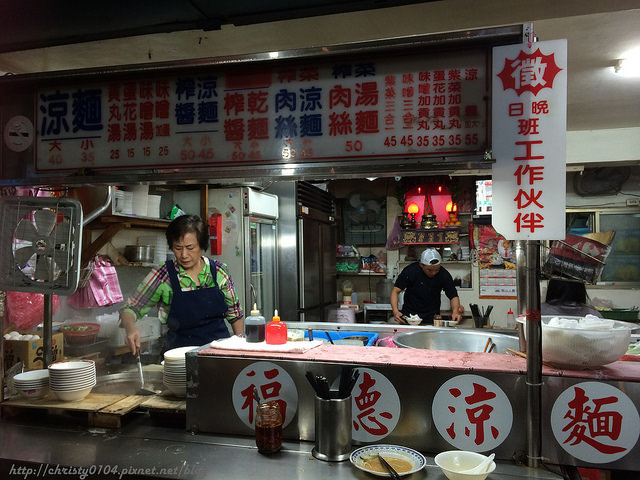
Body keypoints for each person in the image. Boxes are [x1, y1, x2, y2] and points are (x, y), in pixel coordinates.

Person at [120, 214, 244, 355]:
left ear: (202, 245)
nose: (184, 254)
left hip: (219, 355)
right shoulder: (163, 274)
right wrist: (131, 328)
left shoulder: (219, 271)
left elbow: (234, 314)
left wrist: (240, 350)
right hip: (178, 357)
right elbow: (130, 309)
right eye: (178, 248)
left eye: (190, 248)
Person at [390, 248, 462, 325]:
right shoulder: (410, 271)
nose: (434, 273)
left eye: (437, 269)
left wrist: (455, 312)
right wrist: (395, 311)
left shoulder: (443, 274)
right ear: (421, 264)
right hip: (410, 318)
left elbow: (453, 295)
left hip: (432, 318)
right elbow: (395, 291)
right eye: (429, 270)